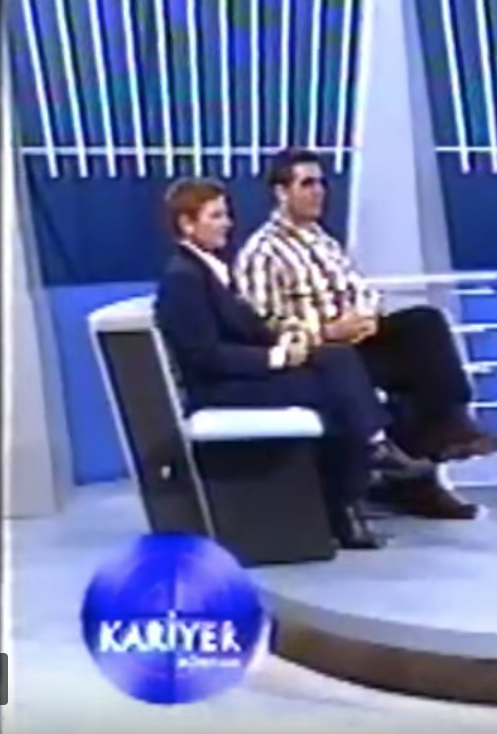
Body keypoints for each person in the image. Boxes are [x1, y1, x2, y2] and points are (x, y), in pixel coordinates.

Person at [153, 178, 436, 550]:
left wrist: (292, 339)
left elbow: (251, 329)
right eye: (216, 216)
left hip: (242, 377)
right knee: (337, 393)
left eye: (227, 214)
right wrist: (276, 357)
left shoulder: (211, 270)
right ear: (187, 224)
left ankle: (368, 460)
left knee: (336, 359)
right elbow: (203, 356)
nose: (228, 224)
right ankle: (355, 487)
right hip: (219, 389)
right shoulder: (183, 279)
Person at [235, 149, 496, 521]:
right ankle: (407, 477)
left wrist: (367, 316)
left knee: (424, 325)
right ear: (281, 192)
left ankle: (449, 427)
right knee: (376, 366)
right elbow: (264, 326)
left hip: (357, 341)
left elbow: (362, 290)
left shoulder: (323, 240)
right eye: (307, 184)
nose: (319, 191)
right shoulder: (262, 253)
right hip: (320, 356)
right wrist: (328, 330)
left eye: (321, 183)